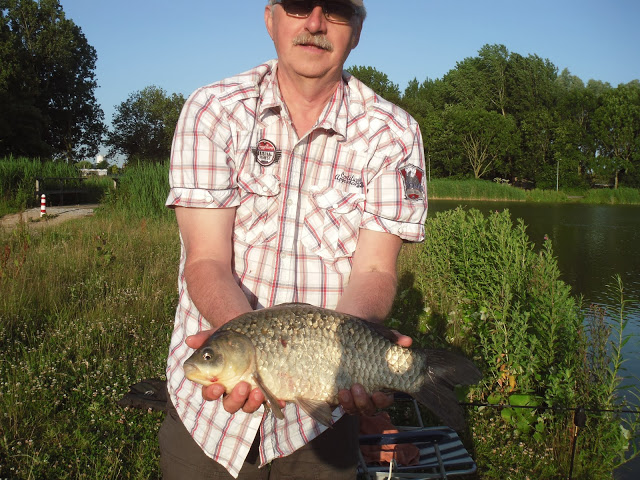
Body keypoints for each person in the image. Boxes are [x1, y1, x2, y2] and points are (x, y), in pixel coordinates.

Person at [159, 0, 428, 478]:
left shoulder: (394, 134)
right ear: (271, 18)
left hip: (320, 424)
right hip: (204, 419)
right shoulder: (213, 111)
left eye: (338, 10)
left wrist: (355, 352)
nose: (316, 23)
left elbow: (375, 270)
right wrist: (244, 348)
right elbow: (206, 262)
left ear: (358, 29)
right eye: (301, 5)